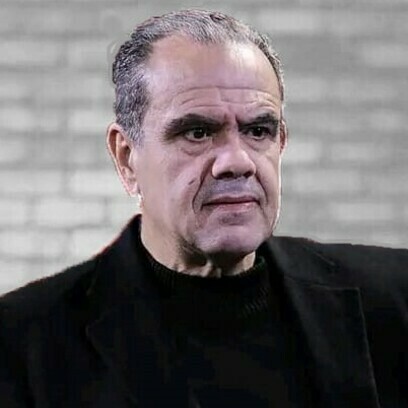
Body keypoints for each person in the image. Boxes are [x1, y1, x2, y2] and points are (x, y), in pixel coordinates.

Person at [0, 9, 407, 408]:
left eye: (258, 131)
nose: (238, 161)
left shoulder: (392, 299)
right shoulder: (22, 344)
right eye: (197, 132)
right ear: (126, 158)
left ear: (281, 142)